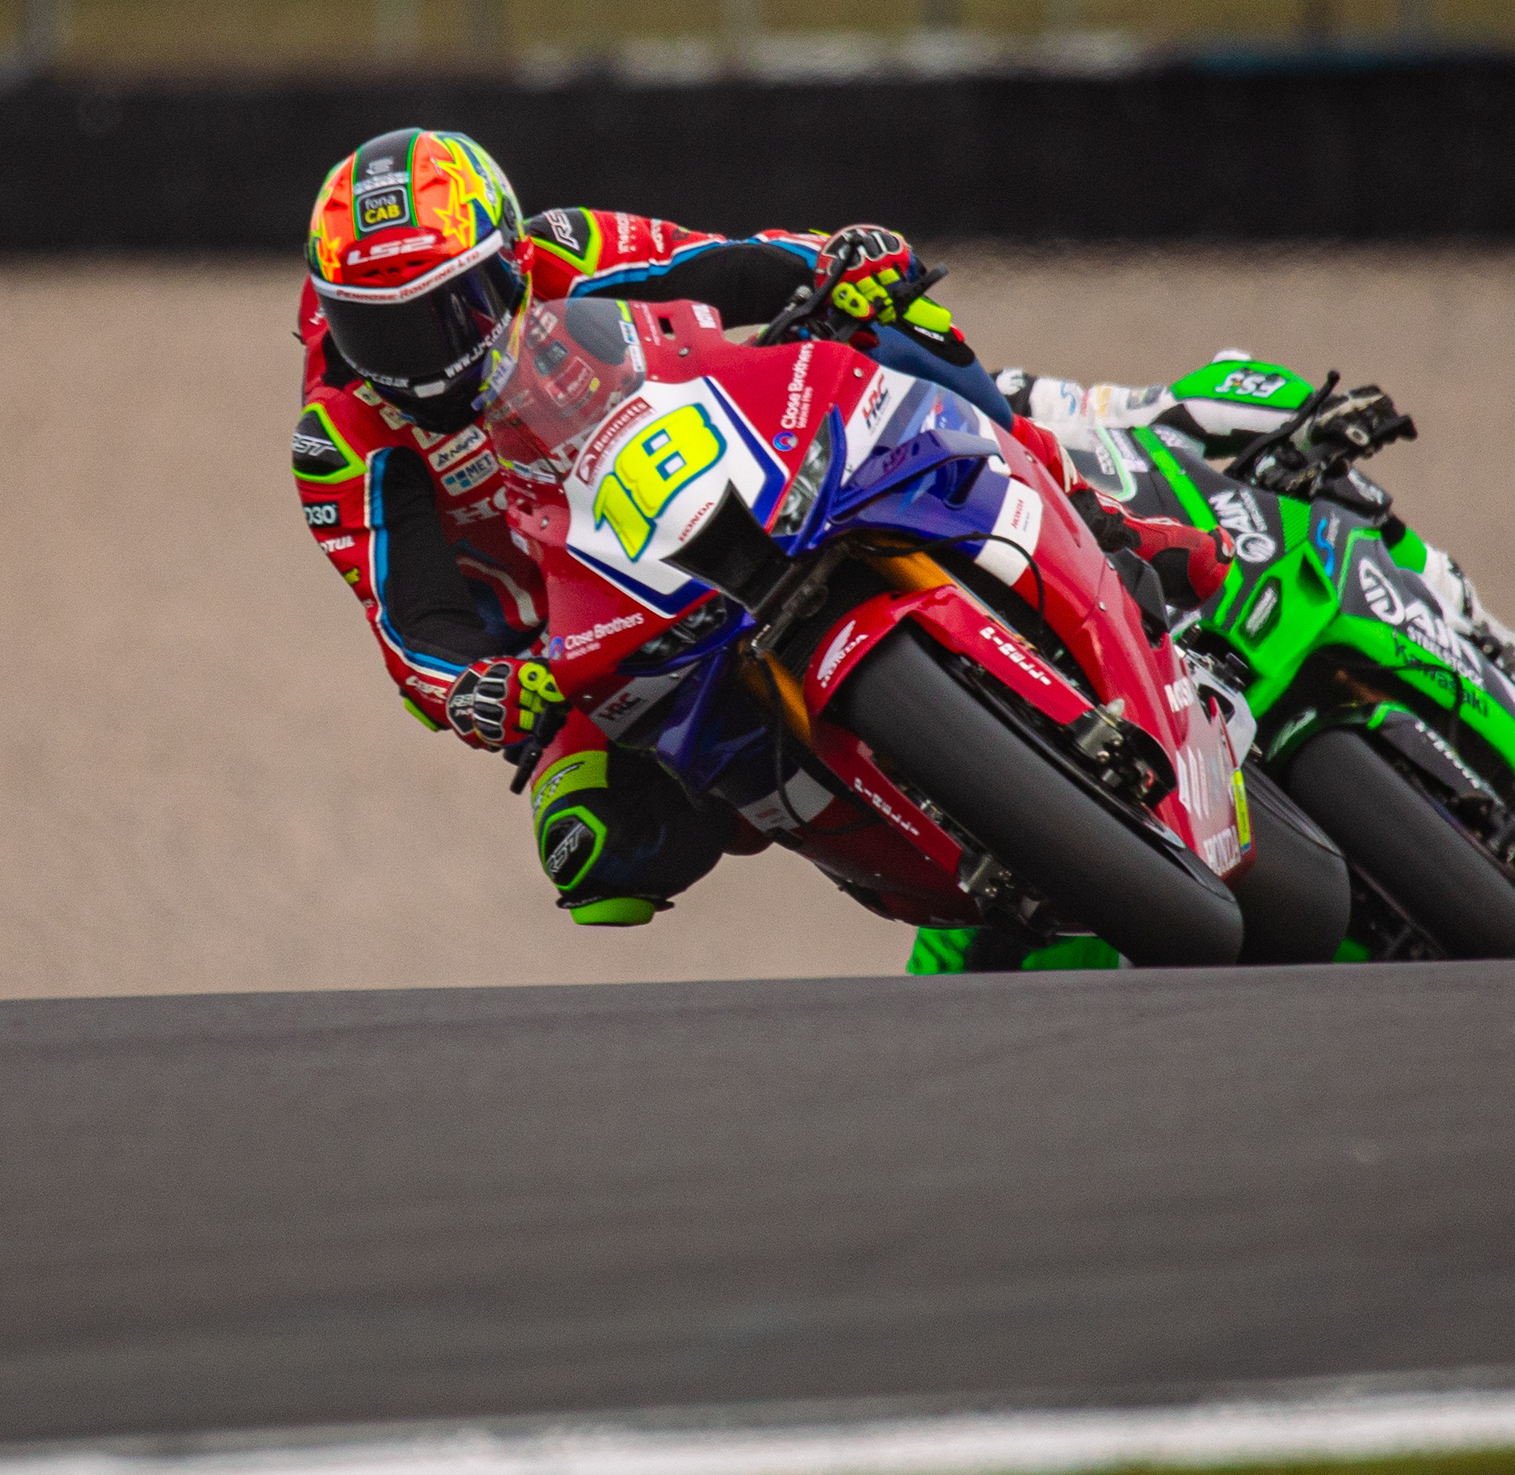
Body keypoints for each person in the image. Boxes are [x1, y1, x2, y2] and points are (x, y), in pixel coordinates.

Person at [294, 124, 1029, 929]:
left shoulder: (564, 248)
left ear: (509, 258)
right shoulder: (336, 438)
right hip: (575, 647)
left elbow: (725, 264)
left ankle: (1075, 501)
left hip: (707, 479)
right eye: (381, 330)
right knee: (600, 855)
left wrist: (835, 262)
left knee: (888, 318)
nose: (421, 361)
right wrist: (474, 686)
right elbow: (410, 620)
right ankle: (886, 848)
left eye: (450, 309)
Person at [993, 350, 1515, 745]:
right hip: (1095, 661)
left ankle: (1484, 636)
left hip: (1162, 536)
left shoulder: (966, 388)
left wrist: (1304, 421)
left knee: (1291, 457)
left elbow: (1126, 407)